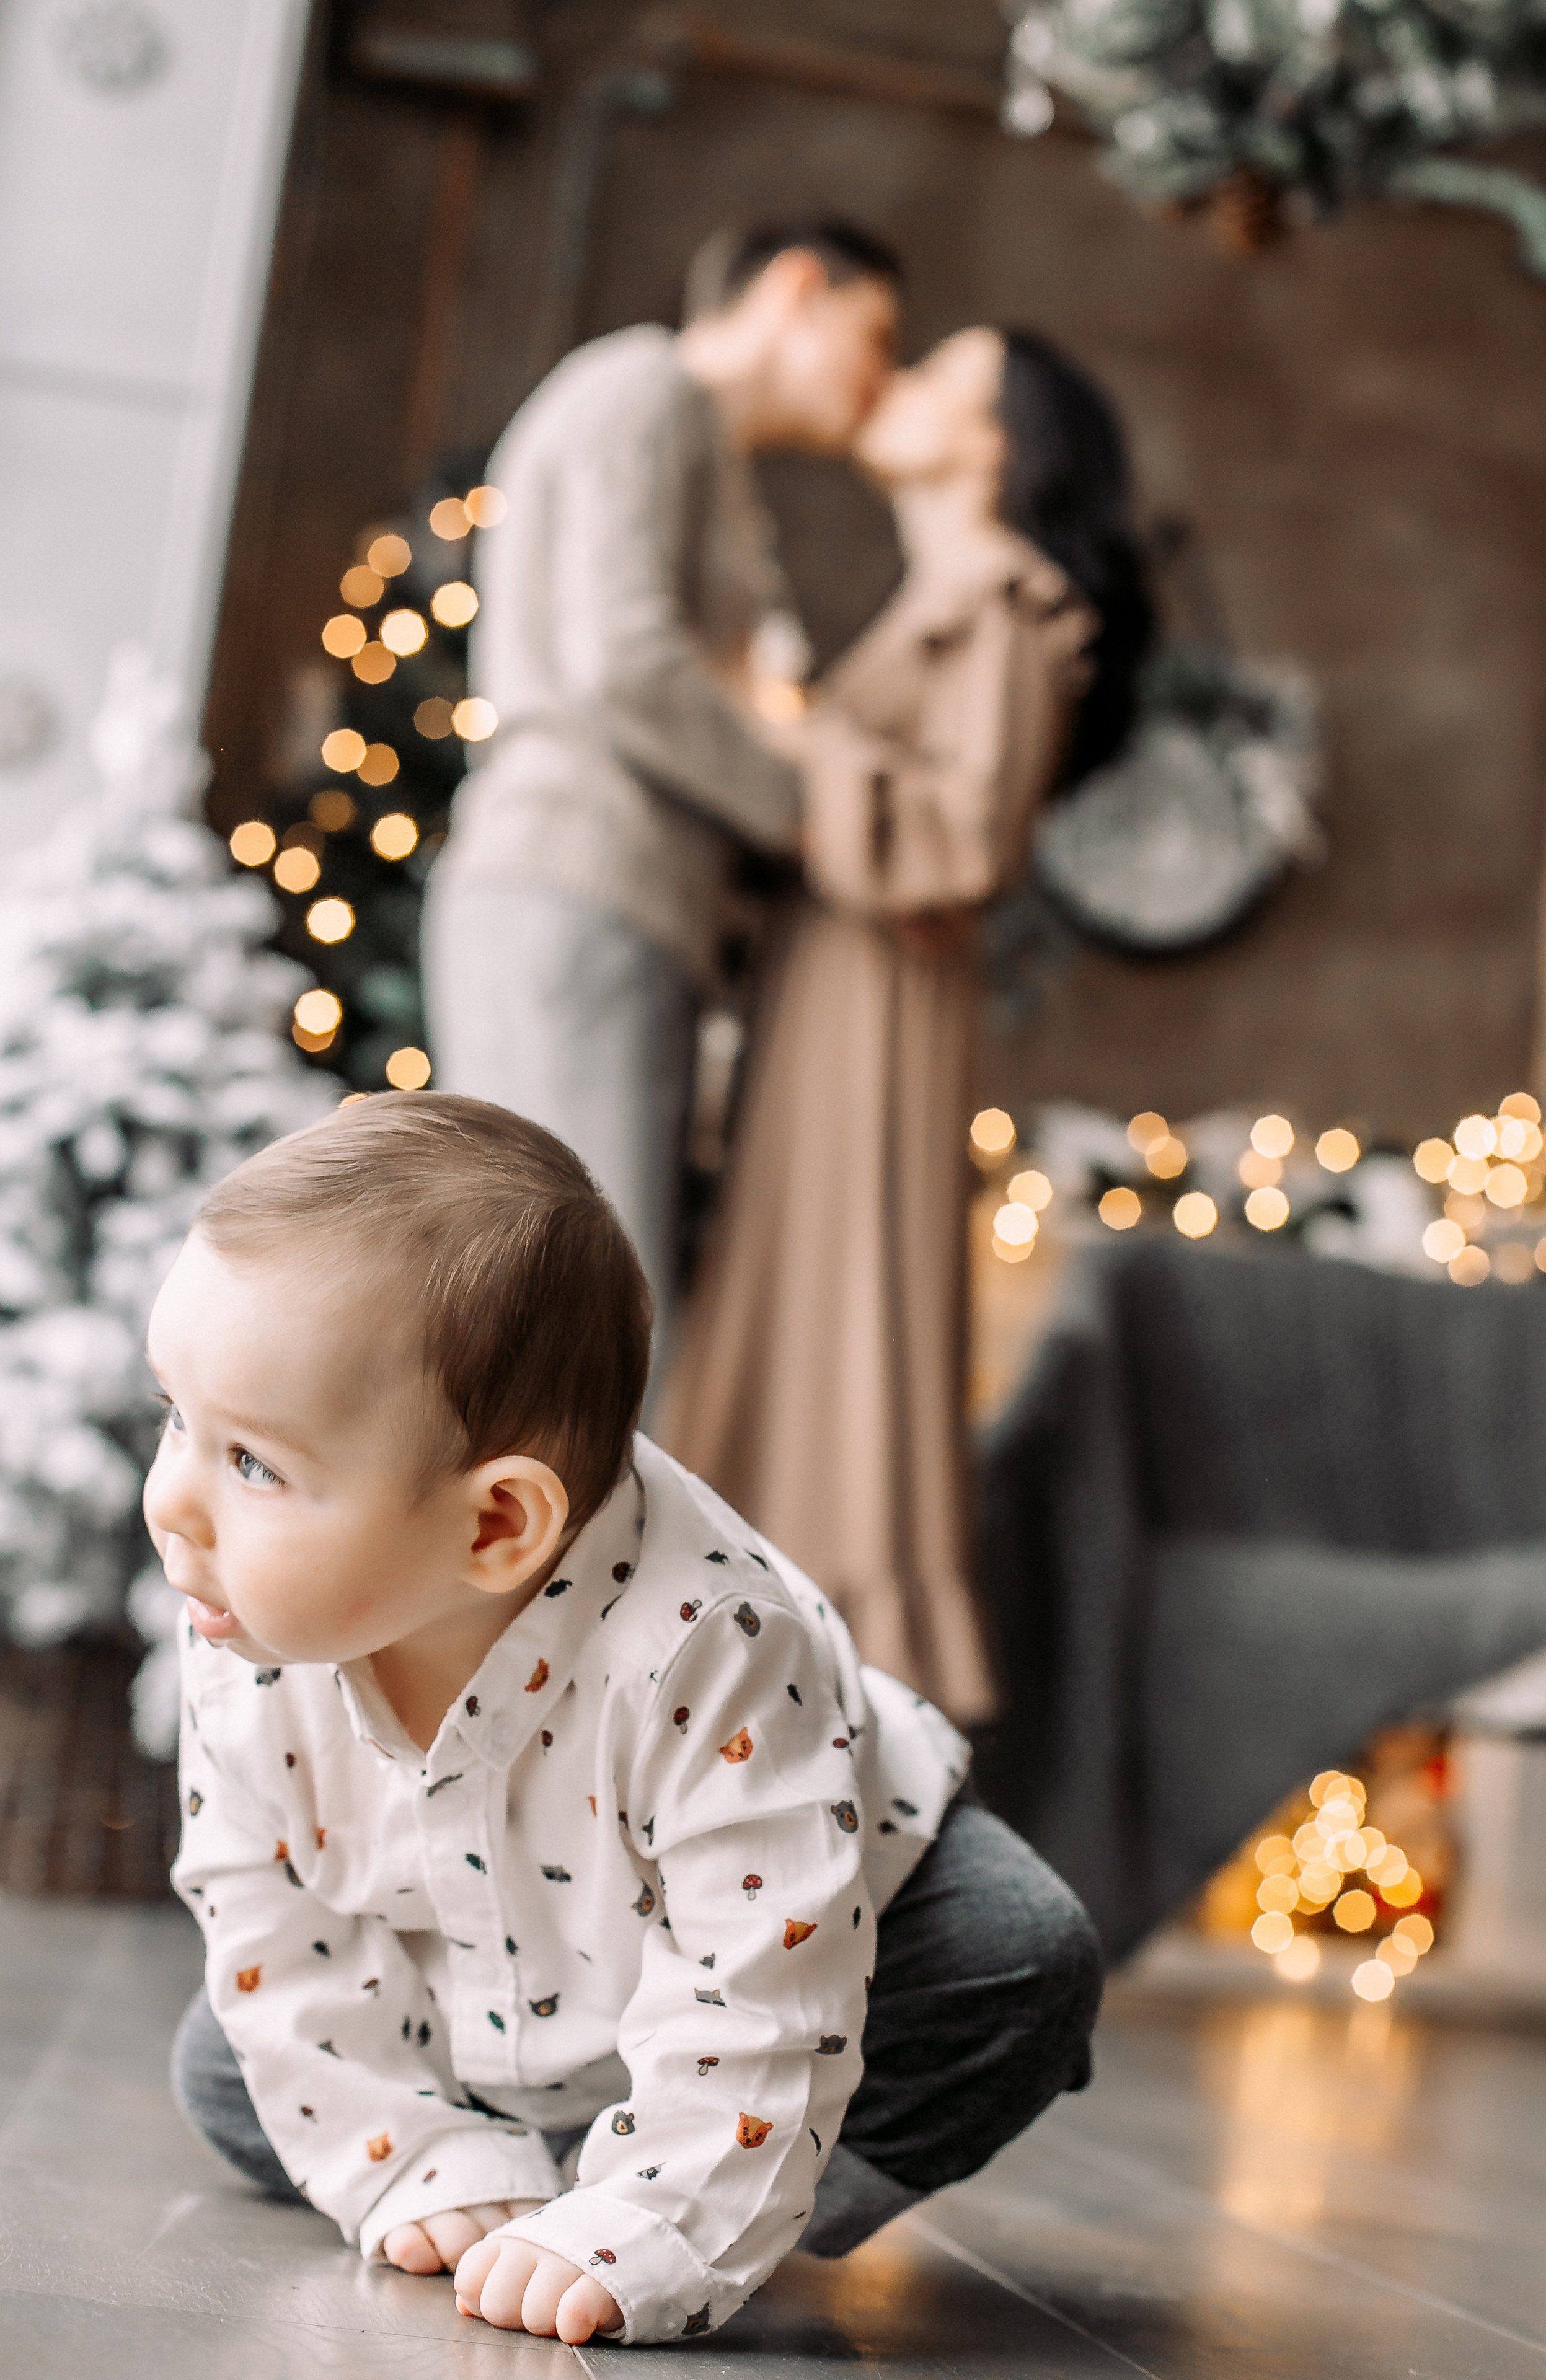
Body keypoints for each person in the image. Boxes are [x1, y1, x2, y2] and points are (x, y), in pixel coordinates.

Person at [156, 1094, 1102, 2347]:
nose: (176, 1504)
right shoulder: (249, 1613)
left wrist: (656, 2229)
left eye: (255, 1465)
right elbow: (266, 1913)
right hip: (497, 1984)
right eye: (178, 1421)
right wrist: (413, 2155)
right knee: (229, 2066)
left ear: (495, 1525)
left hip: (813, 1927)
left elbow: (763, 1980)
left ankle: (699, 2183)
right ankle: (533, 2157)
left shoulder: (705, 1647)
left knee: (1021, 1959)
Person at [661, 329, 1154, 1727]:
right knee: (802, 1303)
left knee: (838, 1309)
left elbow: (955, 843)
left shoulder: (1006, 604)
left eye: (944, 373)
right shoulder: (955, 598)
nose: (902, 384)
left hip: (875, 1003)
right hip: (843, 985)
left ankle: (810, 1678)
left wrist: (794, 726)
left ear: (999, 445)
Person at [421, 219, 902, 1349]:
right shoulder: (646, 391)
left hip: (606, 901)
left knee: (563, 1314)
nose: (877, 378)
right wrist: (806, 816)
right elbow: (622, 661)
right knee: (581, 1325)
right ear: (795, 291)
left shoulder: (699, 445)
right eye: (872, 333)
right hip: (581, 887)